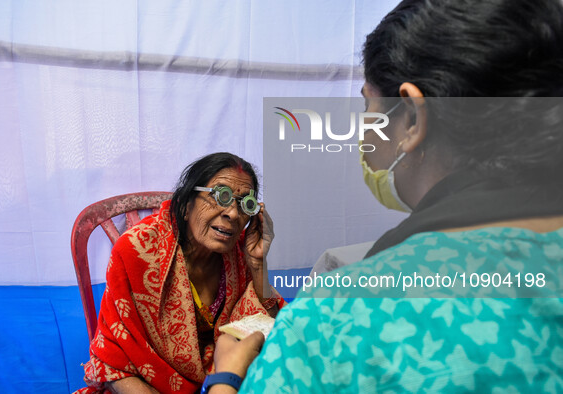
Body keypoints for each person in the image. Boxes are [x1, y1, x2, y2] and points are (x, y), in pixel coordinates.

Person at [209, 0, 563, 392]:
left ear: (411, 117)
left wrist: (225, 379)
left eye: (367, 107)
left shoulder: (341, 317)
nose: (230, 213)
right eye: (219, 194)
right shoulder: (144, 249)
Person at [75, 152, 284, 393]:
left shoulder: (239, 255)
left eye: (245, 204)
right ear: (186, 205)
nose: (233, 214)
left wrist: (258, 264)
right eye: (221, 196)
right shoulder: (137, 250)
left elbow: (268, 331)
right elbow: (114, 360)